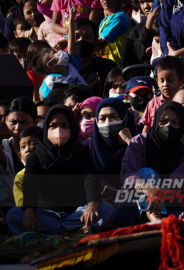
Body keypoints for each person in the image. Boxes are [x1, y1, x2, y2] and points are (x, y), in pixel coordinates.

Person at [6, 105, 114, 235]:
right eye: (53, 126)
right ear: (46, 128)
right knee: (14, 215)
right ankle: (74, 230)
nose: (58, 131)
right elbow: (30, 184)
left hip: (77, 212)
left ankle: (52, 232)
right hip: (45, 213)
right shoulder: (36, 156)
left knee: (106, 209)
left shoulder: (81, 153)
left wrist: (92, 206)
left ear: (73, 128)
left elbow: (91, 180)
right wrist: (29, 210)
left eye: (64, 126)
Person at [115, 101, 184, 224]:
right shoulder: (139, 143)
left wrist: (158, 195)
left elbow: (176, 182)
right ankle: (155, 220)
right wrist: (147, 188)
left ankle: (158, 221)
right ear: (155, 122)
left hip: (167, 207)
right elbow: (128, 173)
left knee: (182, 219)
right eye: (163, 121)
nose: (168, 127)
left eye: (175, 123)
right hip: (132, 206)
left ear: (183, 126)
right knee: (147, 173)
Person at [34, 4, 87, 99]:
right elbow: (42, 97)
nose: (60, 52)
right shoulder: (49, 81)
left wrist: (72, 19)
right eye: (55, 53)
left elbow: (70, 41)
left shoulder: (71, 64)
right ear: (51, 64)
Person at [81, 98, 136, 189]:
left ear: (124, 118)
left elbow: (145, 164)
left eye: (113, 117)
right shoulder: (87, 147)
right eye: (102, 118)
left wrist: (130, 141)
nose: (108, 123)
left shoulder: (138, 141)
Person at [141, 56, 184, 133]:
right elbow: (147, 128)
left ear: (182, 81)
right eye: (162, 81)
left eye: (170, 81)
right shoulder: (152, 103)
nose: (165, 84)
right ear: (157, 81)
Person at [75, 18, 117, 97]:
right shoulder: (59, 68)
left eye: (87, 37)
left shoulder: (108, 67)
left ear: (96, 42)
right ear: (68, 39)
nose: (81, 41)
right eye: (76, 36)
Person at [94, 0, 130, 67]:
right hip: (105, 66)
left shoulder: (119, 17)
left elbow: (100, 44)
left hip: (114, 68)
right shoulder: (105, 20)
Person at [124, 0, 157, 67]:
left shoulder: (171, 24)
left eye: (149, 0)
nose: (145, 6)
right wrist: (147, 29)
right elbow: (136, 58)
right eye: (141, 2)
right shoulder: (136, 30)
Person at [3, 98, 37, 174]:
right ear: (6, 120)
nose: (17, 128)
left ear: (35, 122)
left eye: (24, 123)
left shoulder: (44, 148)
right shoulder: (3, 148)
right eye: (13, 122)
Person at [12, 127, 43, 207]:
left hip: (56, 211)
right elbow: (21, 204)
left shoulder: (51, 168)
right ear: (20, 155)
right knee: (14, 213)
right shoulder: (20, 176)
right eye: (23, 147)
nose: (27, 149)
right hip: (33, 212)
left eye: (33, 144)